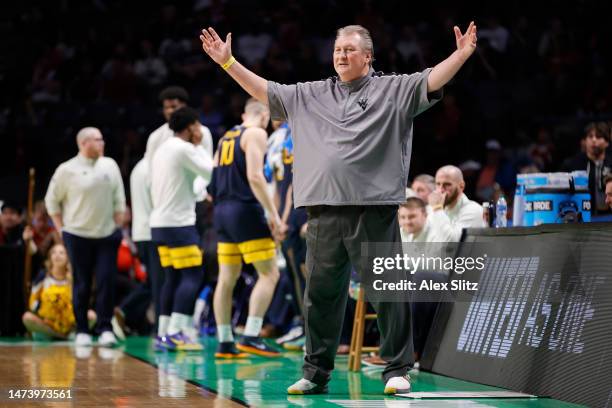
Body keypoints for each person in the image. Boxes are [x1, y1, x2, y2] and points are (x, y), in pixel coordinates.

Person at [200, 20, 477, 395]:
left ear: (368, 56)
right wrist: (229, 63)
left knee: (388, 290)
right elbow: (266, 91)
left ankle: (397, 368)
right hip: (323, 211)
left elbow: (431, 80)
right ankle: (315, 372)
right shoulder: (310, 94)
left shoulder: (392, 89)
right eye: (337, 50)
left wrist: (460, 55)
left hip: (373, 208)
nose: (341, 55)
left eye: (349, 49)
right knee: (320, 296)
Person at [209, 98, 282, 358]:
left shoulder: (225, 137)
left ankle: (225, 342)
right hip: (244, 210)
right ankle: (251, 335)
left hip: (221, 211)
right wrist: (273, 214)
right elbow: (254, 175)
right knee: (270, 274)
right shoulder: (256, 133)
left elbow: (212, 178)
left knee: (227, 278)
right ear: (263, 115)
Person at [44, 127, 126, 347]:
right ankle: (82, 329)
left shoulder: (110, 165)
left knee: (106, 281)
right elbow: (51, 201)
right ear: (83, 143)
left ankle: (105, 328)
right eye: (97, 140)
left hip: (107, 234)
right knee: (81, 283)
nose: (102, 143)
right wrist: (62, 229)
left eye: (102, 139)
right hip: (77, 235)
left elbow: (119, 198)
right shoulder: (66, 169)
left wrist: (117, 227)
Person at [150, 107, 213, 351]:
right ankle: (176, 333)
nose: (200, 131)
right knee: (192, 275)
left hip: (159, 224)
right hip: (178, 224)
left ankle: (164, 332)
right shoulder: (185, 148)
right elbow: (211, 171)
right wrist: (198, 146)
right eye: (197, 126)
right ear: (189, 128)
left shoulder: (163, 149)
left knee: (173, 277)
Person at [22, 244, 75, 339]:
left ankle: (66, 333)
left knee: (91, 315)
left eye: (61, 253)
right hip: (47, 323)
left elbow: (79, 302)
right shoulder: (43, 277)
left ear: (68, 258)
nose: (57, 255)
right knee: (27, 317)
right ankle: (59, 336)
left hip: (68, 323)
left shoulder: (72, 279)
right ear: (50, 257)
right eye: (54, 252)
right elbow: (33, 303)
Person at [562, 122, 612, 216]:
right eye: (590, 136)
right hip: (582, 216)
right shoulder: (573, 164)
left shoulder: (611, 163)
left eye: (598, 137)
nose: (594, 140)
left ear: (607, 142)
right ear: (585, 141)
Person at [428, 165, 485, 242]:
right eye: (438, 184)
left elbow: (450, 244)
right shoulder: (433, 209)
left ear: (461, 186)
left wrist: (437, 208)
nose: (441, 190)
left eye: (447, 185)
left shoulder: (473, 210)